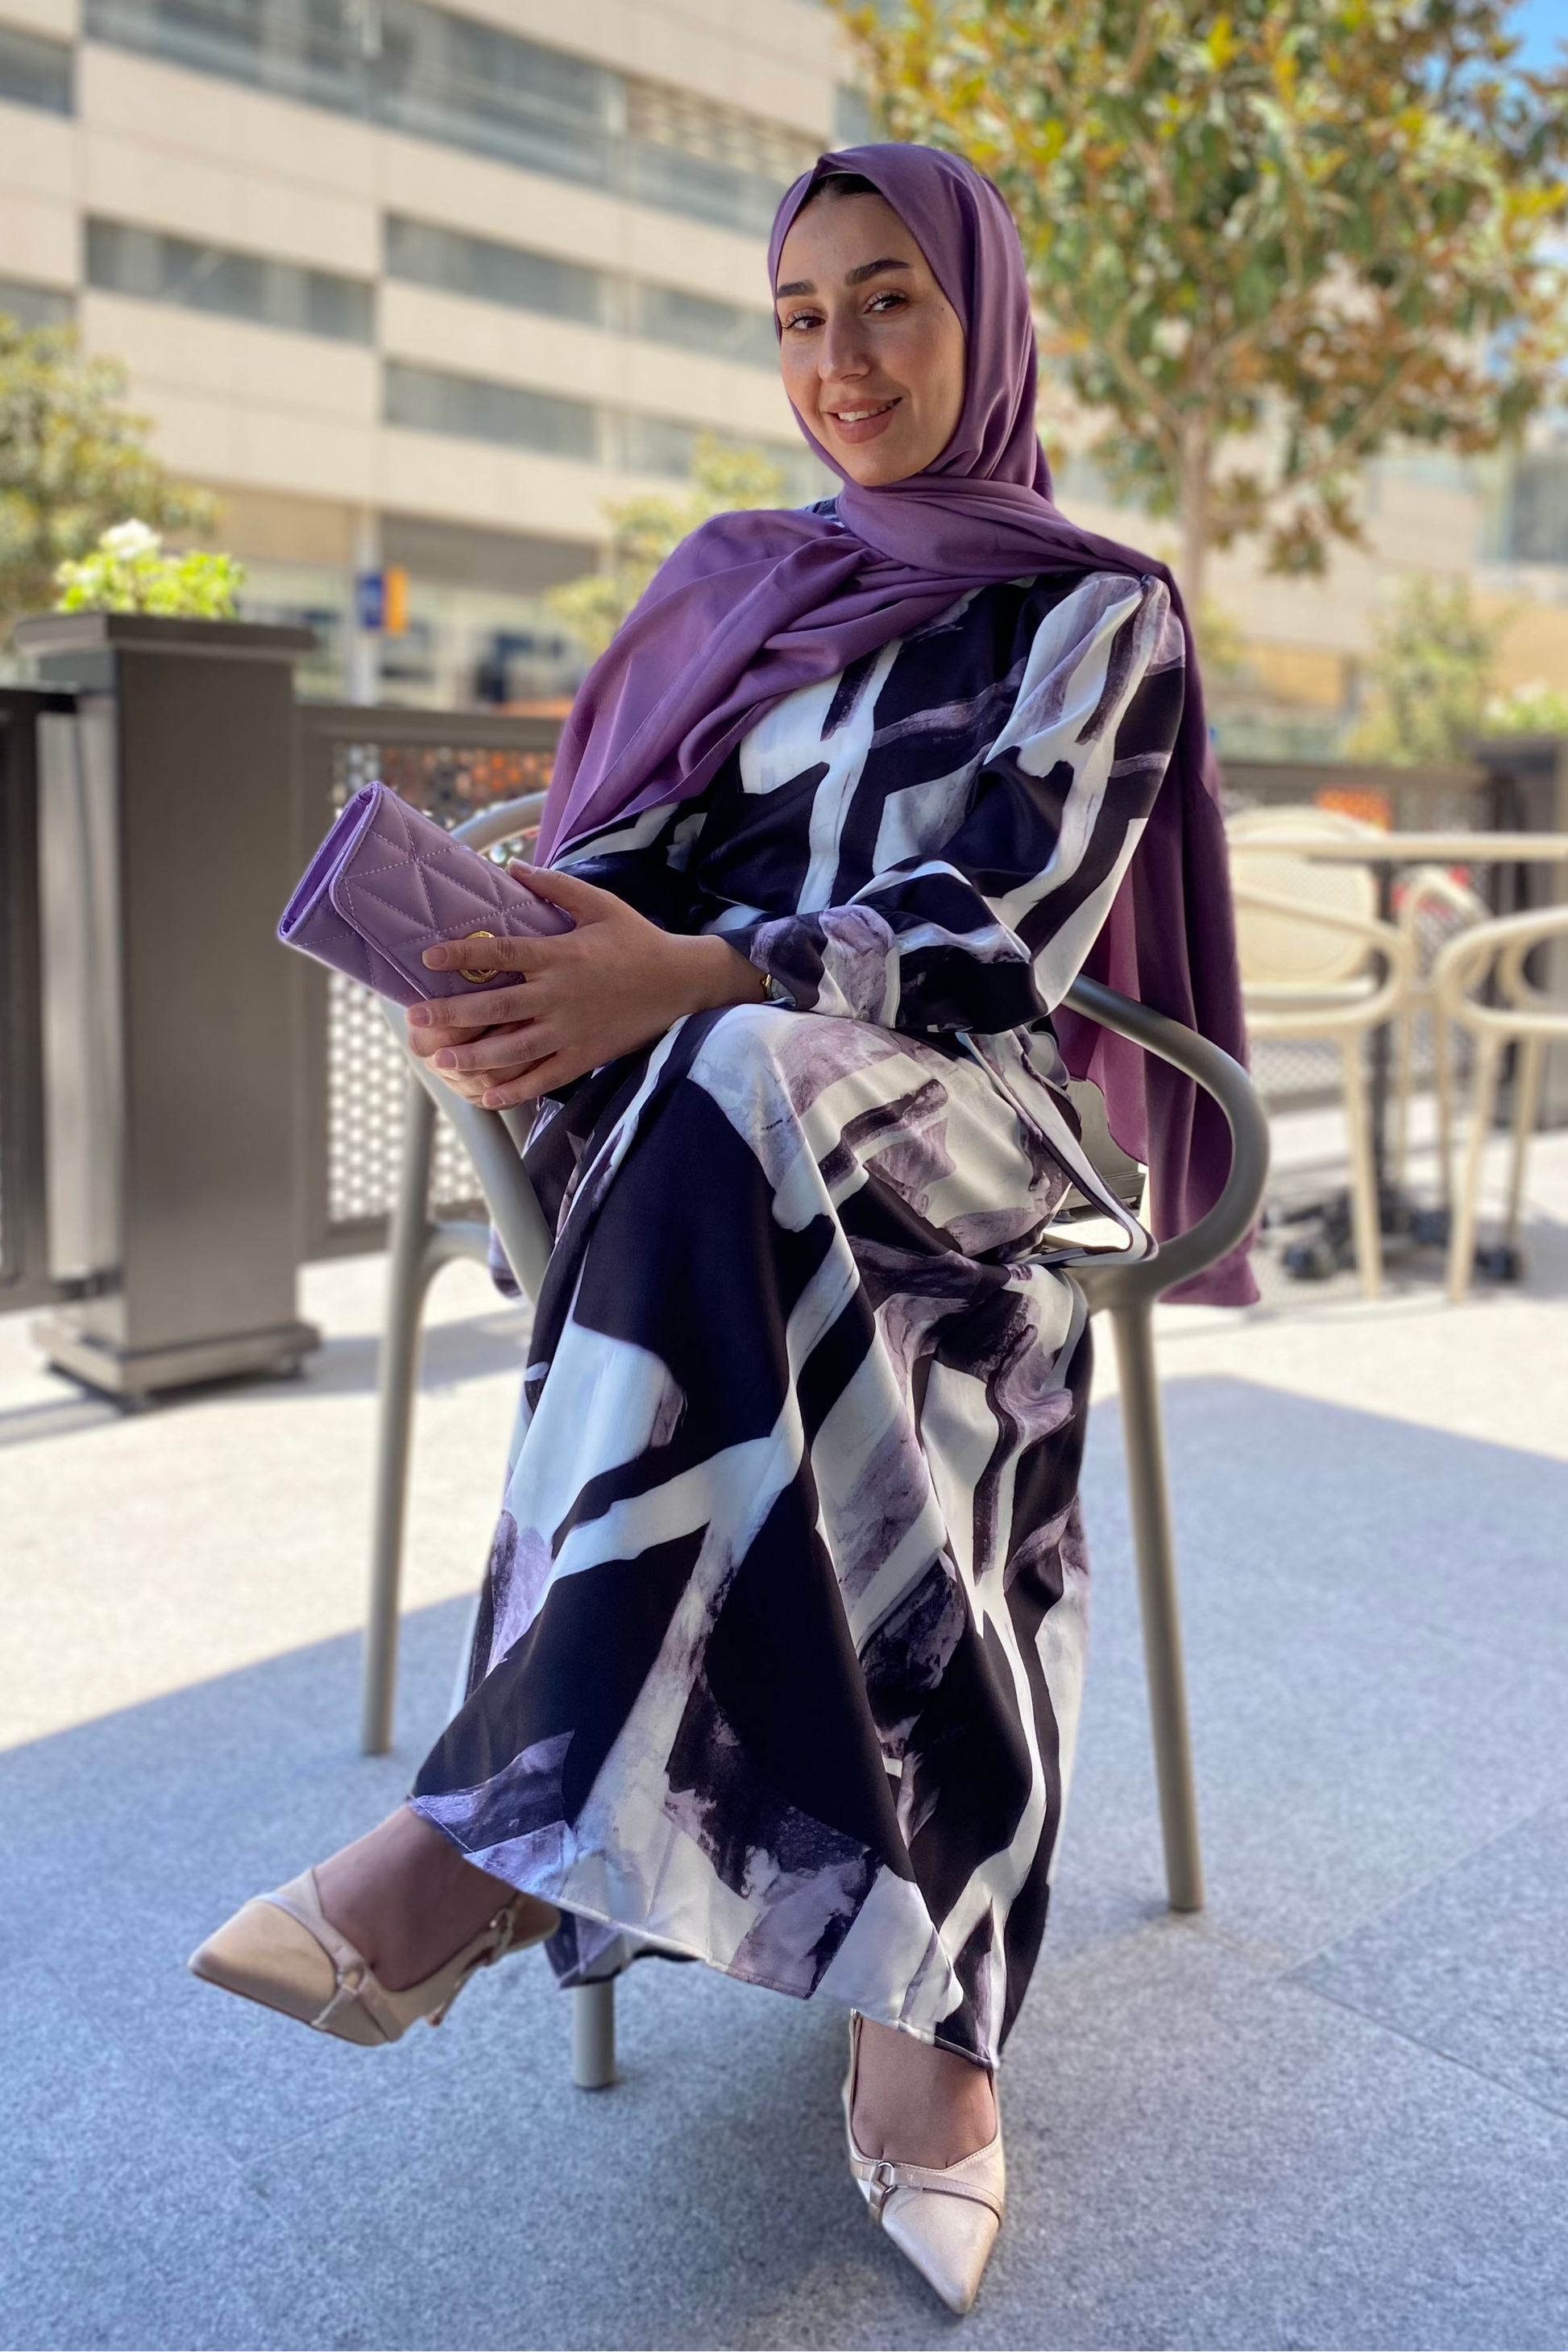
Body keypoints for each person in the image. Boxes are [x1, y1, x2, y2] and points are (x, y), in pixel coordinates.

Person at [190, 143, 1249, 2316]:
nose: (840, 359)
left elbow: (1008, 940)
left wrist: (694, 976)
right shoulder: (739, 583)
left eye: (889, 303)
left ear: (984, 319)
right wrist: (533, 969)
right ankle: (921, 2013)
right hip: (715, 1135)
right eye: (798, 316)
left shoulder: (1094, 607)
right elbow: (617, 868)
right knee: (770, 1191)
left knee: (751, 1084)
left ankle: (495, 1828)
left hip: (966, 1122)